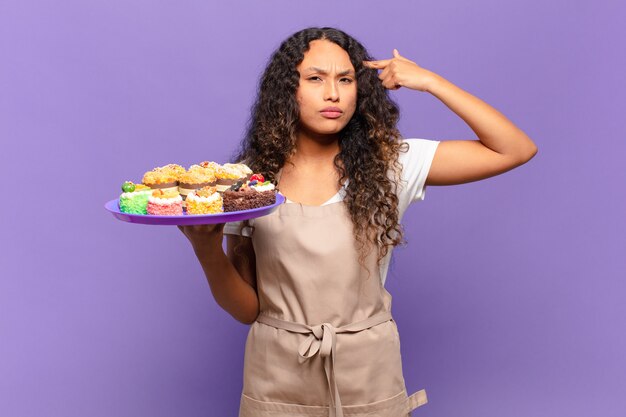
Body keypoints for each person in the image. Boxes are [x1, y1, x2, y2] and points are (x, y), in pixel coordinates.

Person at [178, 27, 537, 417]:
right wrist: (205, 248)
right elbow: (247, 309)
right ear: (287, 90)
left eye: (345, 80)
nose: (333, 93)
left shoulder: (391, 164)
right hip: (276, 375)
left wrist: (430, 82)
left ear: (359, 90)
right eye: (315, 78)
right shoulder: (250, 180)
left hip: (368, 371)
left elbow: (515, 148)